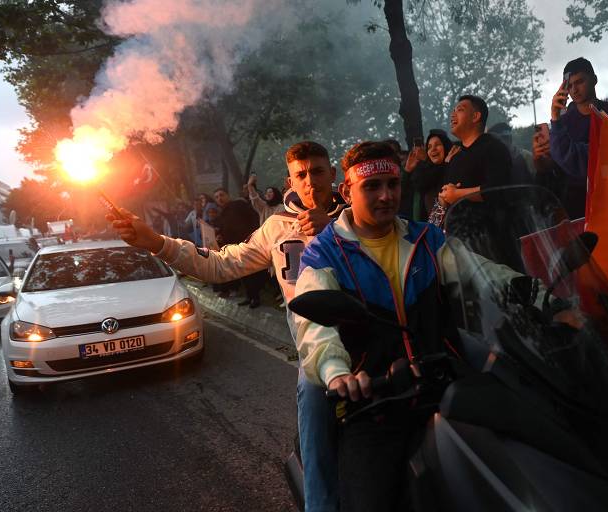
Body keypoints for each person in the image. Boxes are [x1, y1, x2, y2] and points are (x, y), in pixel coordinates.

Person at [108, 141, 347, 512]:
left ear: (333, 175)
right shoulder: (275, 228)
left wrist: (333, 227)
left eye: (318, 171)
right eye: (301, 174)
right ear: (289, 181)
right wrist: (155, 241)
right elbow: (220, 265)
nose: (310, 181)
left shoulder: (360, 214)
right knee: (316, 447)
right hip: (316, 359)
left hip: (374, 346)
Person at [295, 141, 450, 511]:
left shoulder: (428, 240)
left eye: (392, 184)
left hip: (439, 388)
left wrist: (543, 299)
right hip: (372, 404)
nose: (386, 196)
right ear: (347, 190)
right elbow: (313, 328)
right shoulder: (323, 252)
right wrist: (337, 375)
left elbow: (483, 275)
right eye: (372, 186)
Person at [549, 57, 608, 218]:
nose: (574, 90)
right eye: (569, 86)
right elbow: (556, 169)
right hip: (575, 206)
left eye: (579, 82)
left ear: (594, 80)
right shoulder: (561, 124)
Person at [440, 95, 512, 208]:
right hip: (454, 224)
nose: (452, 115)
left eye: (460, 110)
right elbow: (446, 194)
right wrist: (444, 198)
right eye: (453, 111)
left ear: (475, 116)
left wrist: (457, 194)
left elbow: (498, 189)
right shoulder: (455, 155)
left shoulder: (494, 148)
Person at [404, 129, 452, 223]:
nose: (433, 149)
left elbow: (435, 222)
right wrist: (407, 171)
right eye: (429, 147)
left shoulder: (453, 170)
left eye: (437, 145)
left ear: (446, 147)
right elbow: (403, 193)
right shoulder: (423, 175)